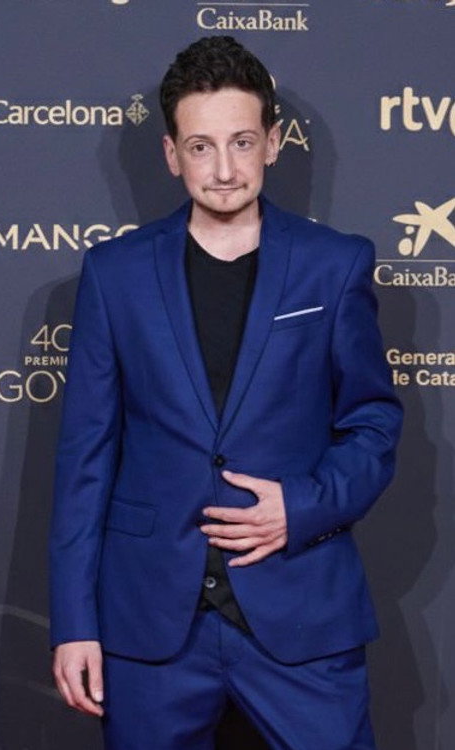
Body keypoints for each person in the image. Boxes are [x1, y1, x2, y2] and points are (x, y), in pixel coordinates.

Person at [49, 35, 403, 750]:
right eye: (201, 147)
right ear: (171, 154)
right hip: (150, 626)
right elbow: (86, 458)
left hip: (303, 612)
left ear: (272, 142)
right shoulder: (115, 274)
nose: (223, 169)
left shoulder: (334, 265)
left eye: (241, 142)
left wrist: (301, 506)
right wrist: (75, 623)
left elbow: (372, 425)